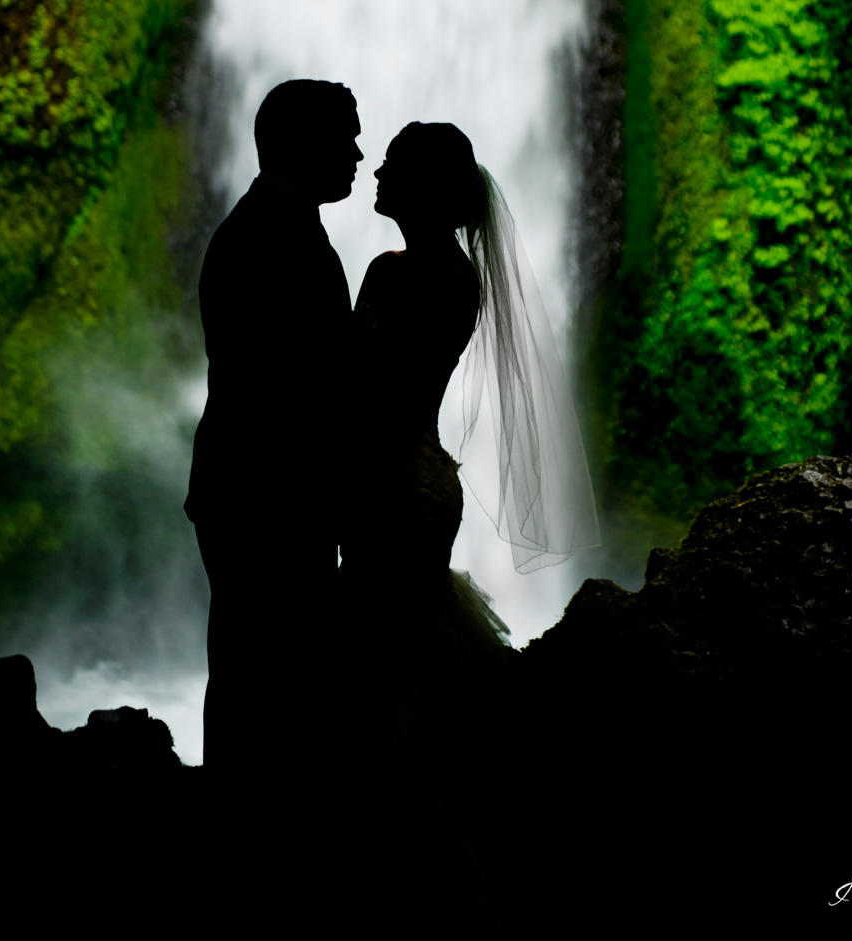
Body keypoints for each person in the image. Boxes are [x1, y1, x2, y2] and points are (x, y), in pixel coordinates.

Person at [336, 120, 600, 791]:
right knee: (410, 637)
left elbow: (360, 385)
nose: (377, 171)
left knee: (385, 645)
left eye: (392, 162)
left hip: (390, 478)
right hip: (423, 471)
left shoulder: (397, 274)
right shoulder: (459, 275)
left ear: (421, 185)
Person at [185, 78, 361, 790]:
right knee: (264, 674)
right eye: (344, 136)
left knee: (251, 672)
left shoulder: (262, 228)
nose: (357, 152)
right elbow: (290, 396)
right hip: (269, 503)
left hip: (250, 494)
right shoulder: (273, 239)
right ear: (302, 143)